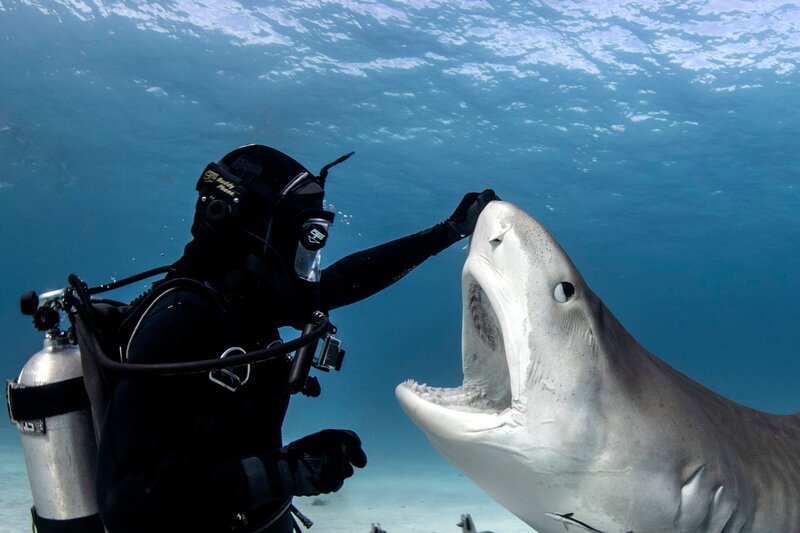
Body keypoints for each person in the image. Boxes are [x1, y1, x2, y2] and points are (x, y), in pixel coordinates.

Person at [95, 144, 498, 532]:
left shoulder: (243, 302)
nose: (307, 263)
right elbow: (126, 500)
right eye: (302, 240)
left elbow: (346, 280)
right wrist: (285, 472)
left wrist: (447, 231)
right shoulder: (184, 319)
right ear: (251, 227)